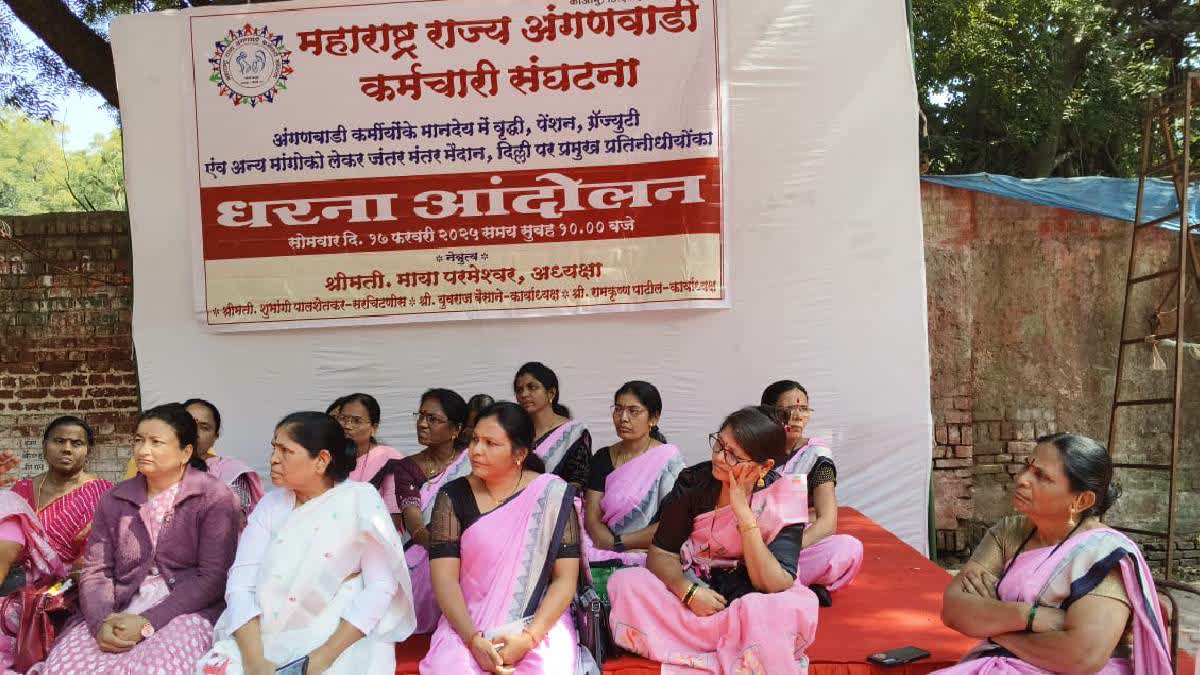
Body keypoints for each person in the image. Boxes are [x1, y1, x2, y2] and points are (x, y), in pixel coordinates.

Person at [197, 411, 416, 675]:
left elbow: (380, 586)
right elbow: (242, 581)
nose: (273, 459)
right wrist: (254, 660)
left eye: (285, 451)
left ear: (321, 460)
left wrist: (322, 658)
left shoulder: (360, 502)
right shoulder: (270, 505)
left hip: (336, 634)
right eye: (273, 448)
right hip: (260, 632)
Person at [935, 433, 1172, 674]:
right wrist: (1030, 616)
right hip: (1002, 663)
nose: (1022, 480)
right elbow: (953, 609)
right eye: (1027, 467)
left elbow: (1081, 656)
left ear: (1081, 501)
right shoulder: (1009, 533)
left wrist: (993, 626)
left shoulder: (1103, 555)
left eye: (1041, 476)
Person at [607, 406, 818, 674]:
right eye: (719, 443)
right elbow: (661, 553)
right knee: (626, 582)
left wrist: (744, 516)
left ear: (764, 466)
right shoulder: (694, 481)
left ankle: (706, 642)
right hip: (696, 593)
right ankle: (735, 646)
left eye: (733, 455)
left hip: (751, 599)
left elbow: (775, 583)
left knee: (770, 610)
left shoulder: (783, 496)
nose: (719, 457)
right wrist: (688, 591)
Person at [41, 403, 241, 674]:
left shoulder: (214, 497)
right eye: (138, 440)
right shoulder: (115, 498)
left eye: (156, 442)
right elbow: (96, 570)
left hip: (184, 612)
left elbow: (213, 578)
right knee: (64, 667)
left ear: (185, 452)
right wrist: (101, 622)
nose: (143, 450)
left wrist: (147, 622)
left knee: (160, 667)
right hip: (117, 610)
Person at [419, 402, 586, 674]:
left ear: (519, 453)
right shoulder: (453, 496)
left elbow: (565, 580)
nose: (476, 450)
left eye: (490, 443)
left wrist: (528, 638)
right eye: (474, 440)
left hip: (539, 622)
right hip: (467, 622)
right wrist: (473, 640)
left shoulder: (550, 495)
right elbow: (445, 579)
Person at [0, 417, 114, 670]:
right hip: (17, 578)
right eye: (59, 441)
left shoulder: (104, 494)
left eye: (77, 443)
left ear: (87, 451)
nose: (67, 449)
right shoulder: (22, 489)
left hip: (68, 587)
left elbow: (99, 557)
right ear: (44, 446)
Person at [761, 380, 863, 606]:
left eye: (803, 409)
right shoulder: (754, 449)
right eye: (788, 410)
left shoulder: (816, 454)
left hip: (795, 543)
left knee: (848, 548)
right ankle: (795, 584)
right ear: (768, 414)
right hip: (753, 539)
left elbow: (827, 521)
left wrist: (789, 549)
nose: (797, 416)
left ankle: (784, 581)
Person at [382, 388, 469, 634]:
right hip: (427, 550)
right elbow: (414, 519)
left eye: (433, 419)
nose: (422, 424)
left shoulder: (472, 461)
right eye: (420, 416)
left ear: (455, 429)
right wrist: (442, 549)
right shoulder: (407, 467)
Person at [583, 381, 684, 570]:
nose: (623, 418)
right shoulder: (602, 457)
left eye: (634, 411)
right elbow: (592, 515)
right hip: (602, 546)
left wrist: (619, 543)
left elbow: (673, 522)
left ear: (653, 418)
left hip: (651, 550)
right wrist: (607, 544)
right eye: (618, 409)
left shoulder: (668, 459)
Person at [122, 399, 264, 517]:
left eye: (204, 427)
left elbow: (234, 518)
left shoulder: (231, 471)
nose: (195, 432)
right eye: (189, 424)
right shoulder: (151, 464)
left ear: (215, 437)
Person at [513, 363, 591, 489]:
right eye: (519, 390)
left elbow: (578, 482)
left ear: (551, 393)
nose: (524, 394)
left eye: (532, 387)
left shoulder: (574, 433)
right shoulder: (513, 433)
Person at [331, 393, 406, 522]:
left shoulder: (390, 458)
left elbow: (395, 515)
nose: (347, 426)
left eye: (356, 421)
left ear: (374, 428)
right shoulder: (326, 456)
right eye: (342, 418)